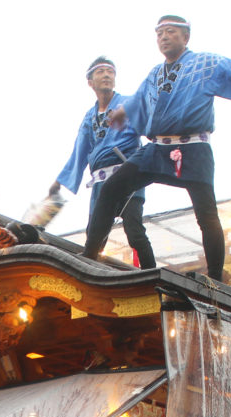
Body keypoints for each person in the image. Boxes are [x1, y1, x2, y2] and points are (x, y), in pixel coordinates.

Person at [82, 14, 231, 279]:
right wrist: (123, 112)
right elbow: (139, 100)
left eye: (170, 32)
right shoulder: (155, 73)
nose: (164, 37)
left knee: (206, 215)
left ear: (185, 37)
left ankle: (214, 277)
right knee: (111, 188)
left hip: (193, 149)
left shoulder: (207, 64)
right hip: (156, 149)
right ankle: (89, 254)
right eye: (159, 34)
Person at [49, 57, 152, 266]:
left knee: (134, 230)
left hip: (126, 174)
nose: (106, 75)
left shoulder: (128, 104)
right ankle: (89, 276)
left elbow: (148, 121)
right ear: (90, 82)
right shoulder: (90, 117)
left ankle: (153, 276)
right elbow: (80, 149)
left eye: (110, 71)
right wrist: (59, 181)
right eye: (100, 72)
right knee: (95, 234)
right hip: (101, 181)